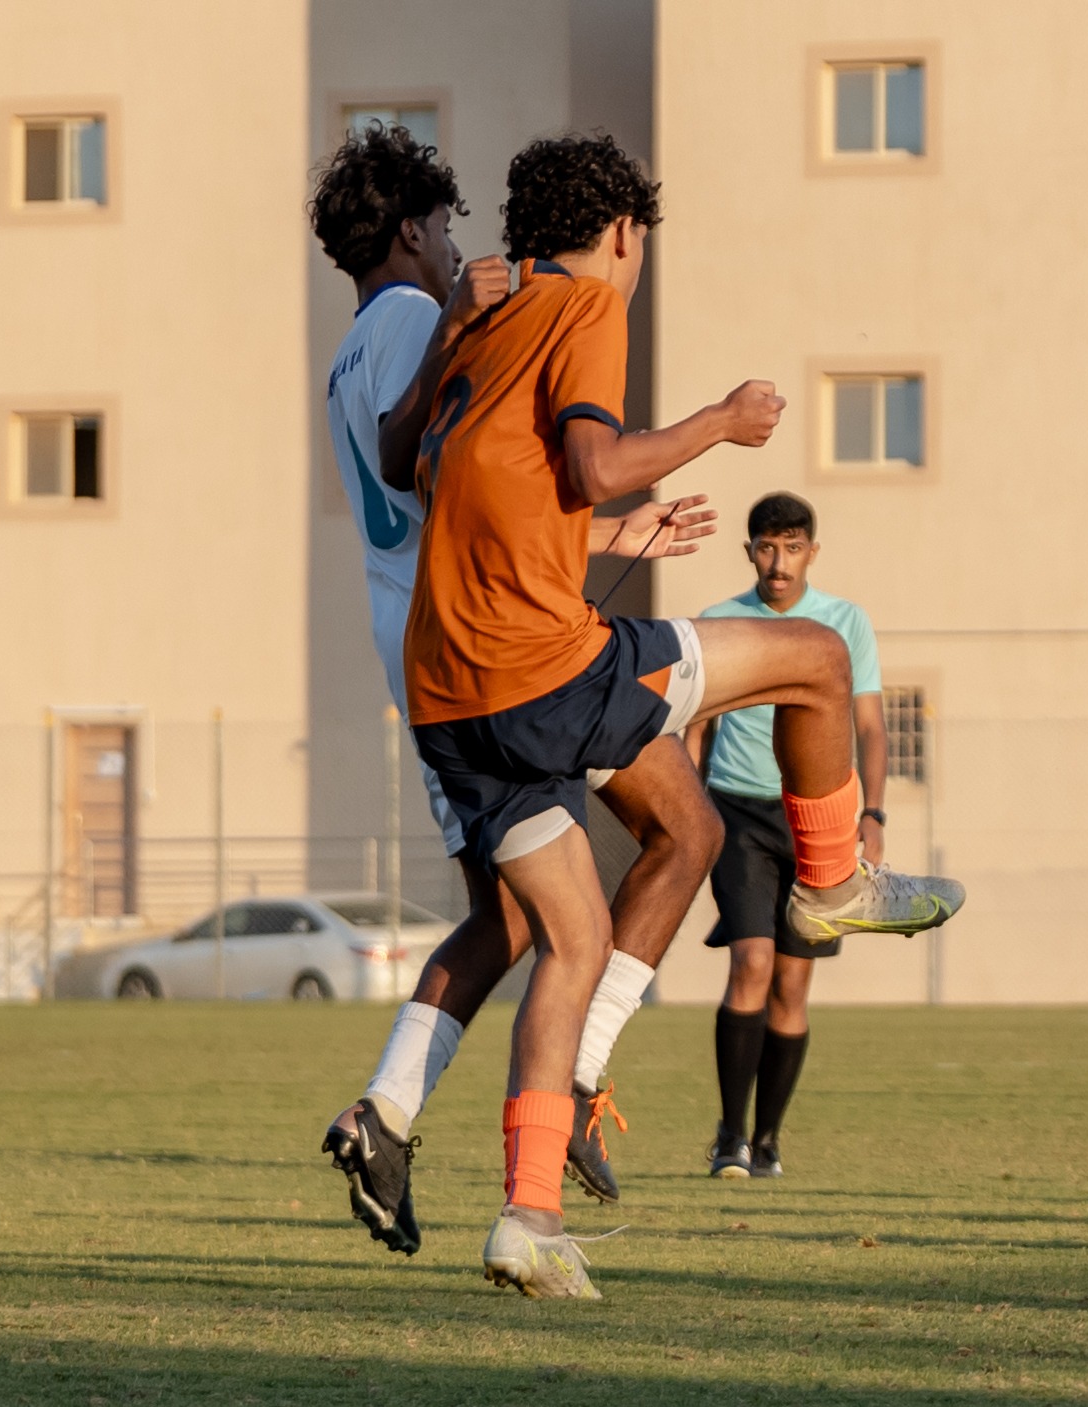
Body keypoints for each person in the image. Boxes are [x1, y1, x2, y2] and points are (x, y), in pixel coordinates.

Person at [393, 132, 964, 1299]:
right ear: (623, 233)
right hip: (540, 669)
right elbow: (599, 463)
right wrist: (718, 419)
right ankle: (834, 879)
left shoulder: (481, 322)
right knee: (810, 656)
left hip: (447, 694)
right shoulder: (583, 304)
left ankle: (528, 1217)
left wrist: (454, 322)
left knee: (572, 940)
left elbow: (418, 465)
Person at [306, 123, 724, 1260]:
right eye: (442, 229)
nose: (458, 250)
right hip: (480, 648)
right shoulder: (410, 320)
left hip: (448, 636)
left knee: (514, 912)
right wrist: (455, 324)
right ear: (408, 230)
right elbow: (442, 468)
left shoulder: (351, 342)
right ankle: (563, 1087)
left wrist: (613, 532)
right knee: (671, 834)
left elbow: (472, 481)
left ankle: (385, 1112)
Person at [684, 493, 887, 1179]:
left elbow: (868, 728)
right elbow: (693, 729)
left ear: (812, 552)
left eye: (792, 548)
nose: (779, 562)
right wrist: (684, 808)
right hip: (736, 813)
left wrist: (874, 814)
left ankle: (769, 1137)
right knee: (751, 963)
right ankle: (729, 1135)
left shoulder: (843, 623)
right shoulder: (718, 623)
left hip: (816, 818)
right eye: (767, 548)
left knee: (792, 985)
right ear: (749, 552)